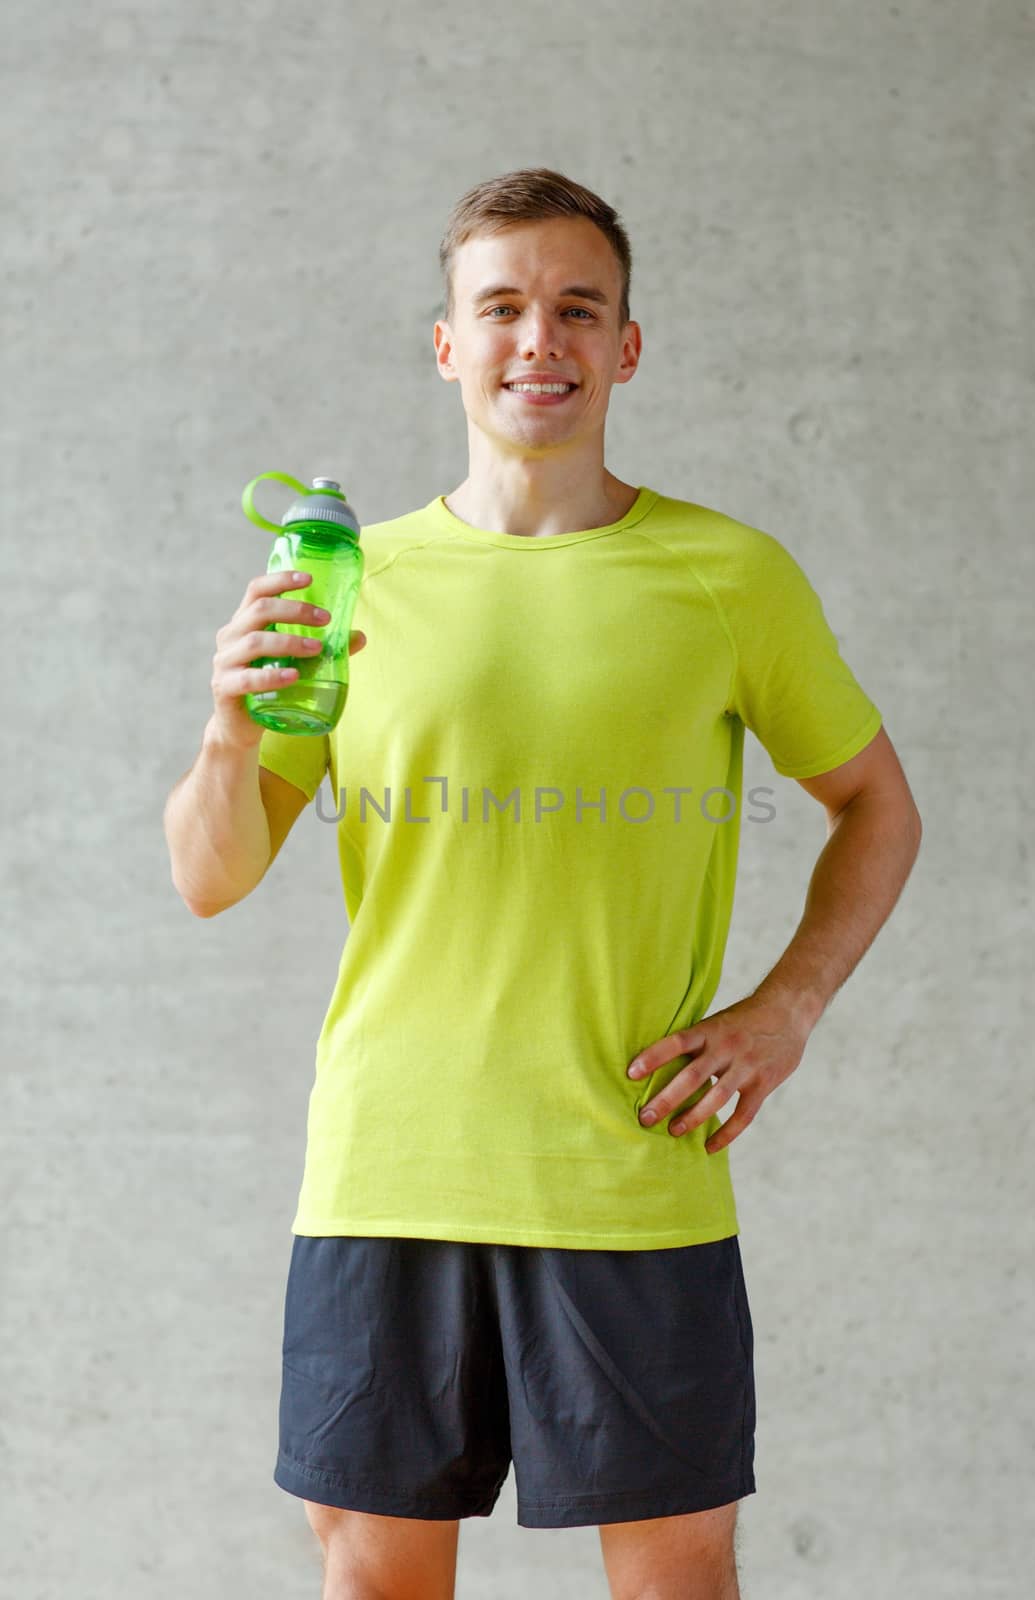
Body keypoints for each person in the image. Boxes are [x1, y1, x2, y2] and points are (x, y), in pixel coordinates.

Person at [164, 167, 922, 1600]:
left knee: (676, 1581)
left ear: (626, 345)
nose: (540, 340)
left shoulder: (728, 576)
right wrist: (225, 726)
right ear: (447, 342)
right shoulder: (350, 580)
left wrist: (786, 1009)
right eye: (500, 307)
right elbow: (210, 877)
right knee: (377, 1579)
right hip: (389, 1168)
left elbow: (878, 805)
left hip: (626, 1167)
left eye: (579, 309)